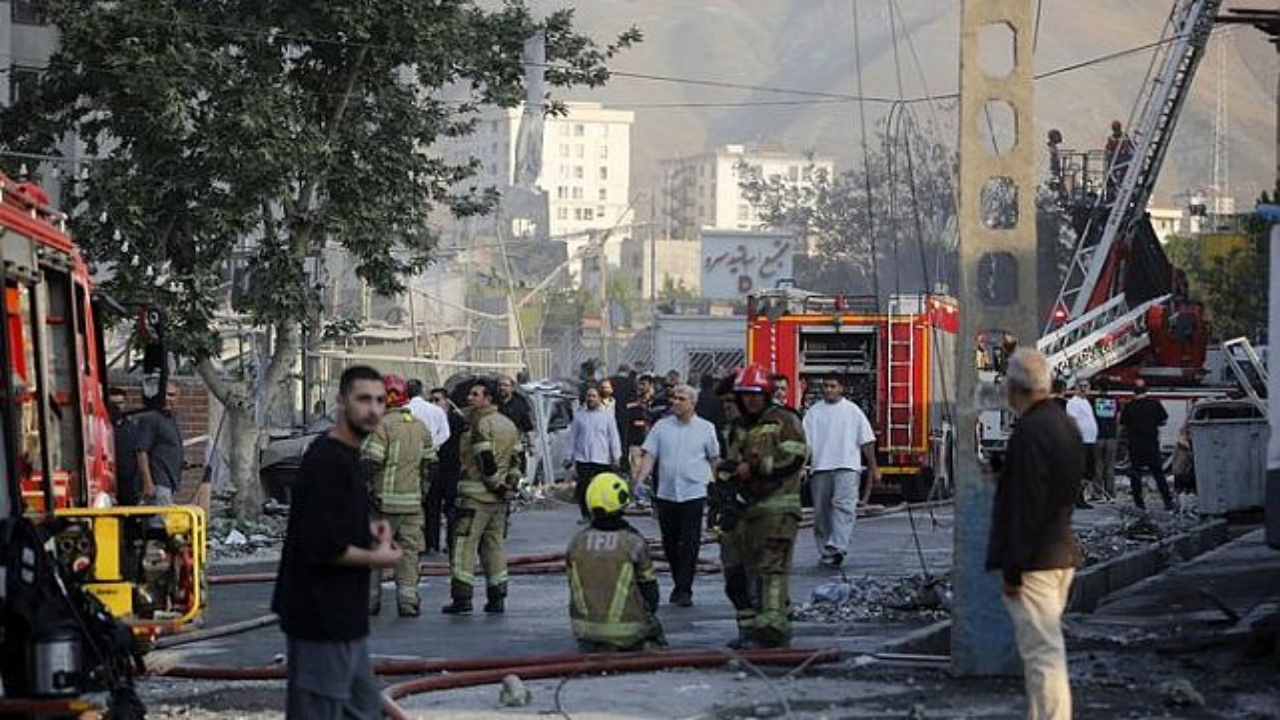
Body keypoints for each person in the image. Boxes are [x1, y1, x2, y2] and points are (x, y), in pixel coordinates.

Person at [272, 365, 404, 719]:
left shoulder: (347, 459)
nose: (373, 409)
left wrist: (371, 535)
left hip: (345, 620)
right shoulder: (327, 462)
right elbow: (322, 546)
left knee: (363, 709)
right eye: (363, 399)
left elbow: (337, 527)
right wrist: (379, 558)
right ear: (341, 402)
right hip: (320, 619)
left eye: (380, 400)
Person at [986, 348, 1082, 720]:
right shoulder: (1064, 424)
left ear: (1014, 387)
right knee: (1045, 651)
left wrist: (1012, 570)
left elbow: (1025, 507)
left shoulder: (1028, 431)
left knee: (1043, 654)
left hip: (1035, 563)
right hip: (1060, 552)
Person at [716, 364, 808, 649]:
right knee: (738, 573)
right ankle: (749, 630)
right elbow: (730, 464)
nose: (750, 400)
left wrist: (755, 468)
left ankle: (772, 630)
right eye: (745, 395)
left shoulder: (784, 420)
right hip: (744, 511)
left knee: (771, 569)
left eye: (756, 394)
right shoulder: (739, 427)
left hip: (778, 509)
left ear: (767, 394)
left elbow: (794, 458)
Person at [633, 384, 719, 607]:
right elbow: (650, 455)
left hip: (693, 491)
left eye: (681, 399)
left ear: (692, 403)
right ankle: (677, 579)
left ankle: (684, 588)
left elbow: (714, 459)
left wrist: (719, 487)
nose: (675, 402)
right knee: (670, 542)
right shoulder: (661, 427)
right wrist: (640, 479)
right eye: (674, 398)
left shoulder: (706, 428)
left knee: (690, 542)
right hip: (667, 493)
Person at [443, 379, 522, 615]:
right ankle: (497, 597)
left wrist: (497, 485)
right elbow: (517, 461)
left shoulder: (480, 425)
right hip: (499, 503)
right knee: (494, 548)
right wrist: (510, 486)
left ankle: (462, 598)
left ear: (488, 398)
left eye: (475, 395)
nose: (469, 398)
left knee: (463, 548)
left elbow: (485, 461)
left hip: (474, 499)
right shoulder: (508, 425)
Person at [566, 472, 666, 652]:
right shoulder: (633, 542)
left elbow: (572, 586)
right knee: (657, 640)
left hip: (584, 632)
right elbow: (651, 594)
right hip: (629, 631)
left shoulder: (576, 542)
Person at [362, 374, 435, 617]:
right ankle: (408, 602)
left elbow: (370, 463)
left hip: (383, 503)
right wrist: (421, 493)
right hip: (412, 504)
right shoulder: (419, 426)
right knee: (409, 553)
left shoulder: (381, 426)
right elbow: (431, 466)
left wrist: (363, 490)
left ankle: (370, 603)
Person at [802, 376, 879, 569]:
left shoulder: (853, 411)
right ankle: (827, 551)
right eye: (825, 386)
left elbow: (867, 441)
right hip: (820, 468)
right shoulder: (813, 413)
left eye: (832, 386)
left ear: (841, 388)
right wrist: (802, 466)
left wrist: (874, 467)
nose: (828, 390)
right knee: (821, 512)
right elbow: (805, 445)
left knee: (844, 507)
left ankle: (838, 545)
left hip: (847, 467)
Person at [565, 385, 622, 521]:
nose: (590, 399)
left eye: (593, 396)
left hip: (601, 458)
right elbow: (572, 437)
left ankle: (600, 513)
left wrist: (616, 456)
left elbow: (613, 437)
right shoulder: (579, 416)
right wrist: (568, 456)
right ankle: (586, 514)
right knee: (583, 487)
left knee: (600, 488)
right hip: (583, 458)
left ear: (599, 398)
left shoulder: (607, 416)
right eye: (588, 396)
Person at [424, 387, 467, 555]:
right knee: (431, 508)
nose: (434, 404)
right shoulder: (429, 420)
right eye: (432, 400)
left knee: (452, 509)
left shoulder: (456, 420)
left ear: (447, 401)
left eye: (437, 400)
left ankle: (451, 543)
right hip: (434, 470)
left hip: (452, 470)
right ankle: (431, 544)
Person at [1119, 381, 1173, 511]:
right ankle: (1168, 501)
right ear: (1146, 391)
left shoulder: (1129, 406)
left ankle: (1139, 503)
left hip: (1135, 445)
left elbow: (1123, 424)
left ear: (1134, 392)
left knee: (1136, 474)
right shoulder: (1155, 404)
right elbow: (1164, 419)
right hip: (1151, 444)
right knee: (1158, 474)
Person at [135, 381, 184, 505]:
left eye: (171, 395)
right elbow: (141, 451)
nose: (167, 399)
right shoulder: (151, 419)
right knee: (160, 523)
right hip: (157, 484)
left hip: (168, 484)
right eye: (164, 395)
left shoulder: (171, 421)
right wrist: (148, 483)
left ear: (178, 398)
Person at [1064, 379, 1099, 509]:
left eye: (1086, 386)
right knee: (1081, 471)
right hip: (1081, 441)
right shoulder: (1073, 402)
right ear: (1076, 388)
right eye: (1081, 386)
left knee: (1089, 471)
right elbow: (1072, 421)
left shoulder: (1086, 402)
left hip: (1090, 440)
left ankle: (1079, 496)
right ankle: (1077, 498)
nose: (1084, 388)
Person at [108, 387, 142, 506]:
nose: (117, 407)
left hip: (128, 485)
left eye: (120, 403)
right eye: (113, 403)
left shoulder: (132, 428)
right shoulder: (102, 426)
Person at [623, 375, 657, 488]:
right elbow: (630, 417)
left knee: (650, 469)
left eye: (644, 384)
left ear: (651, 385)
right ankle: (637, 494)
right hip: (636, 439)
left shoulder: (656, 401)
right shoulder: (632, 401)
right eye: (640, 384)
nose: (641, 387)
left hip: (652, 441)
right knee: (636, 467)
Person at [1090, 381, 1120, 498]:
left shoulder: (1093, 400)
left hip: (1097, 436)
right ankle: (1110, 493)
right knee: (1110, 466)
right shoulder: (1115, 400)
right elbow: (1118, 418)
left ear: (1098, 388)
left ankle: (1097, 493)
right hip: (1111, 436)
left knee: (1098, 465)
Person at [405, 378, 451, 452]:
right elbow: (446, 433)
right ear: (422, 391)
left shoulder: (404, 411)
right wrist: (432, 444)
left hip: (413, 454)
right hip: (431, 453)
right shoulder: (437, 410)